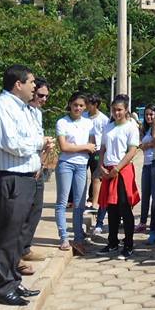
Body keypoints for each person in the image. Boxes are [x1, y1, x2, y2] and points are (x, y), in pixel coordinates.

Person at [0, 64, 50, 307]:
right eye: (31, 82)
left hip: (24, 177)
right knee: (7, 233)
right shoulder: (2, 108)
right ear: (18, 84)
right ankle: (3, 287)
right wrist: (38, 142)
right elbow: (10, 142)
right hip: (9, 177)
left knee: (16, 234)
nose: (35, 87)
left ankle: (13, 279)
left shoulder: (22, 108)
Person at [97, 94, 141, 258]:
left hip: (122, 170)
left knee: (124, 206)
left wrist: (118, 168)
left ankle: (128, 244)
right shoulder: (108, 127)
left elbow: (132, 150)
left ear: (126, 110)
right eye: (114, 110)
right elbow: (102, 148)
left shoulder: (131, 127)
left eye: (120, 110)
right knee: (111, 207)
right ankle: (112, 242)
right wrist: (101, 165)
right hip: (108, 169)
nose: (117, 113)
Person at [55, 92, 97, 255]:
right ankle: (64, 237)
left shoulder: (88, 123)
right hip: (66, 164)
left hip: (81, 165)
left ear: (85, 107)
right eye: (75, 105)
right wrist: (83, 147)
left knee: (80, 203)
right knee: (63, 201)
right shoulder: (62, 122)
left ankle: (79, 238)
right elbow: (64, 147)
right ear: (70, 105)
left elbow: (92, 145)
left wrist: (86, 147)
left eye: (81, 105)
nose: (78, 108)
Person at [18, 78, 51, 273]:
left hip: (37, 166)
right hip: (22, 170)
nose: (43, 99)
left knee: (36, 210)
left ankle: (25, 248)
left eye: (46, 96)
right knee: (21, 214)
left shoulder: (37, 113)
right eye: (40, 95)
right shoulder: (21, 112)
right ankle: (16, 254)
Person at [139, 104, 155, 243]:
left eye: (151, 114)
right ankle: (143, 221)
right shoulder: (143, 128)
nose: (149, 117)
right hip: (146, 164)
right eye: (147, 114)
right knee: (146, 194)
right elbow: (140, 145)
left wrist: (149, 145)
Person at [85, 94, 109, 233]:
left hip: (98, 150)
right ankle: (88, 200)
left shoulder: (103, 119)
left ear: (95, 105)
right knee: (85, 175)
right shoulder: (85, 117)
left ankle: (95, 201)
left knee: (96, 176)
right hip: (85, 148)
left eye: (89, 103)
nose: (87, 106)